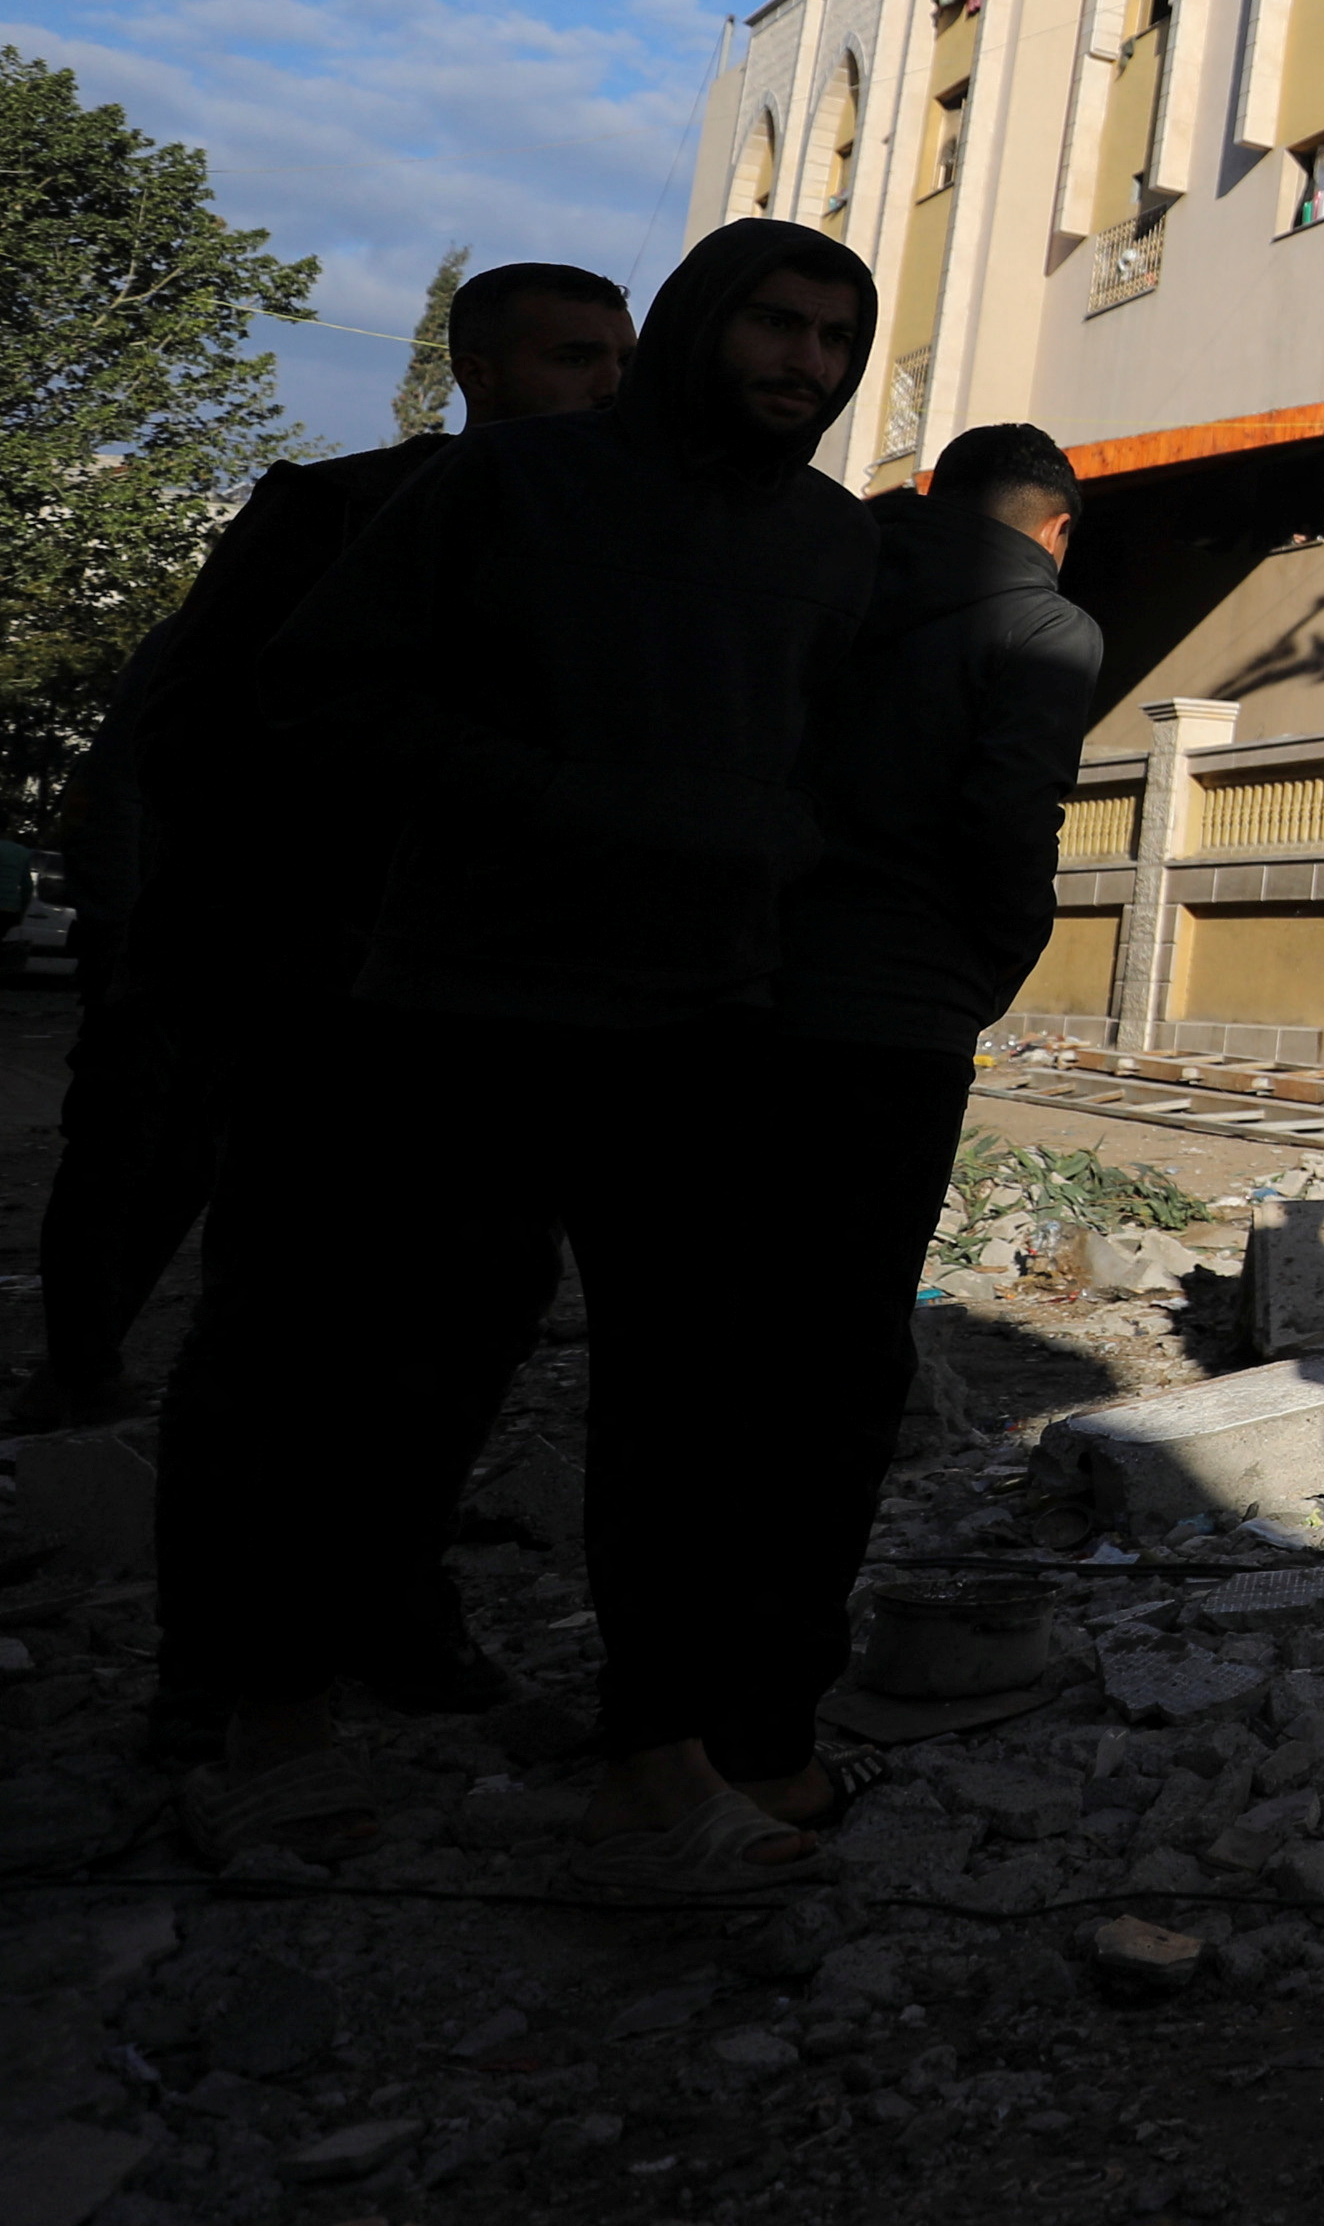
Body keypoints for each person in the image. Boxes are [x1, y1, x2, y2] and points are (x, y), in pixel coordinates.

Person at [188, 221, 878, 1891]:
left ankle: (656, 1759)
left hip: (702, 1027)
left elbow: (834, 767)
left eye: (836, 338)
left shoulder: (832, 539)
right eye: (776, 324)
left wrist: (790, 870)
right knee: (374, 1366)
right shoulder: (504, 486)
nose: (805, 363)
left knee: (686, 1405)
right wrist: (572, 804)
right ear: (702, 323)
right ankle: (262, 1719)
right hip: (468, 1007)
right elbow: (322, 694)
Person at [36, 265, 640, 1447]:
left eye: (623, 360)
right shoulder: (340, 508)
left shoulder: (615, 546)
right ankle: (87, 1390)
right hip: (275, 949)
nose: (609, 386)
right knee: (182, 1185)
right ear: (478, 371)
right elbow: (191, 723)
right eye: (575, 357)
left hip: (475, 977)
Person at [728, 420, 1100, 1827]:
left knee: (714, 1347)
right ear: (1054, 525)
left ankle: (662, 1711)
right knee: (837, 1367)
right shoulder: (1041, 624)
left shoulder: (822, 572)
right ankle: (770, 1734)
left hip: (733, 991)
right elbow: (1011, 817)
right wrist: (986, 964)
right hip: (890, 1016)